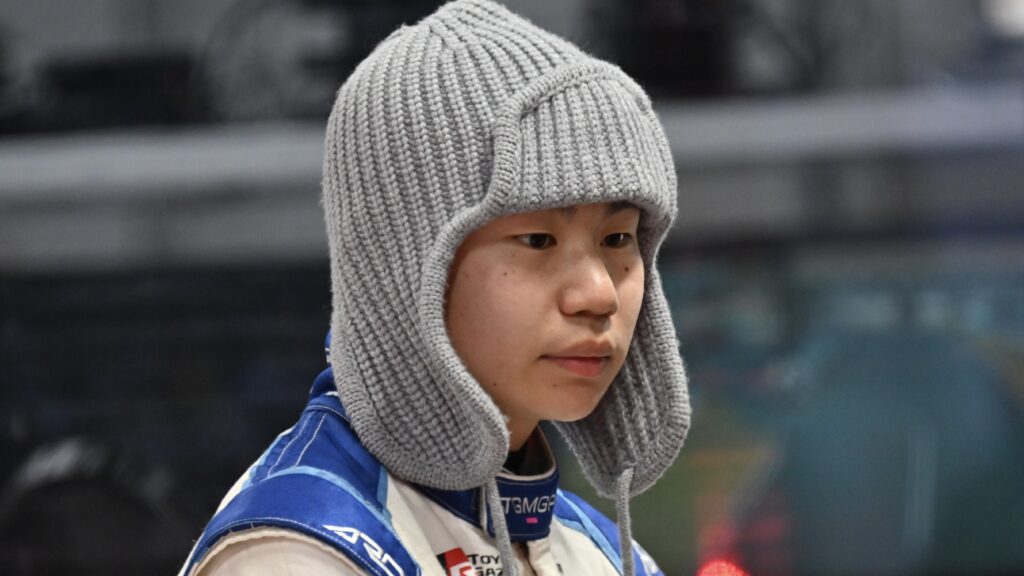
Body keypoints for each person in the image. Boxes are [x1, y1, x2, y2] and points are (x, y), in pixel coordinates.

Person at [178, 1, 690, 574]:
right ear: (403, 267)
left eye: (618, 239)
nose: (599, 295)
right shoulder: (297, 554)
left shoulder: (602, 552)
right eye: (538, 240)